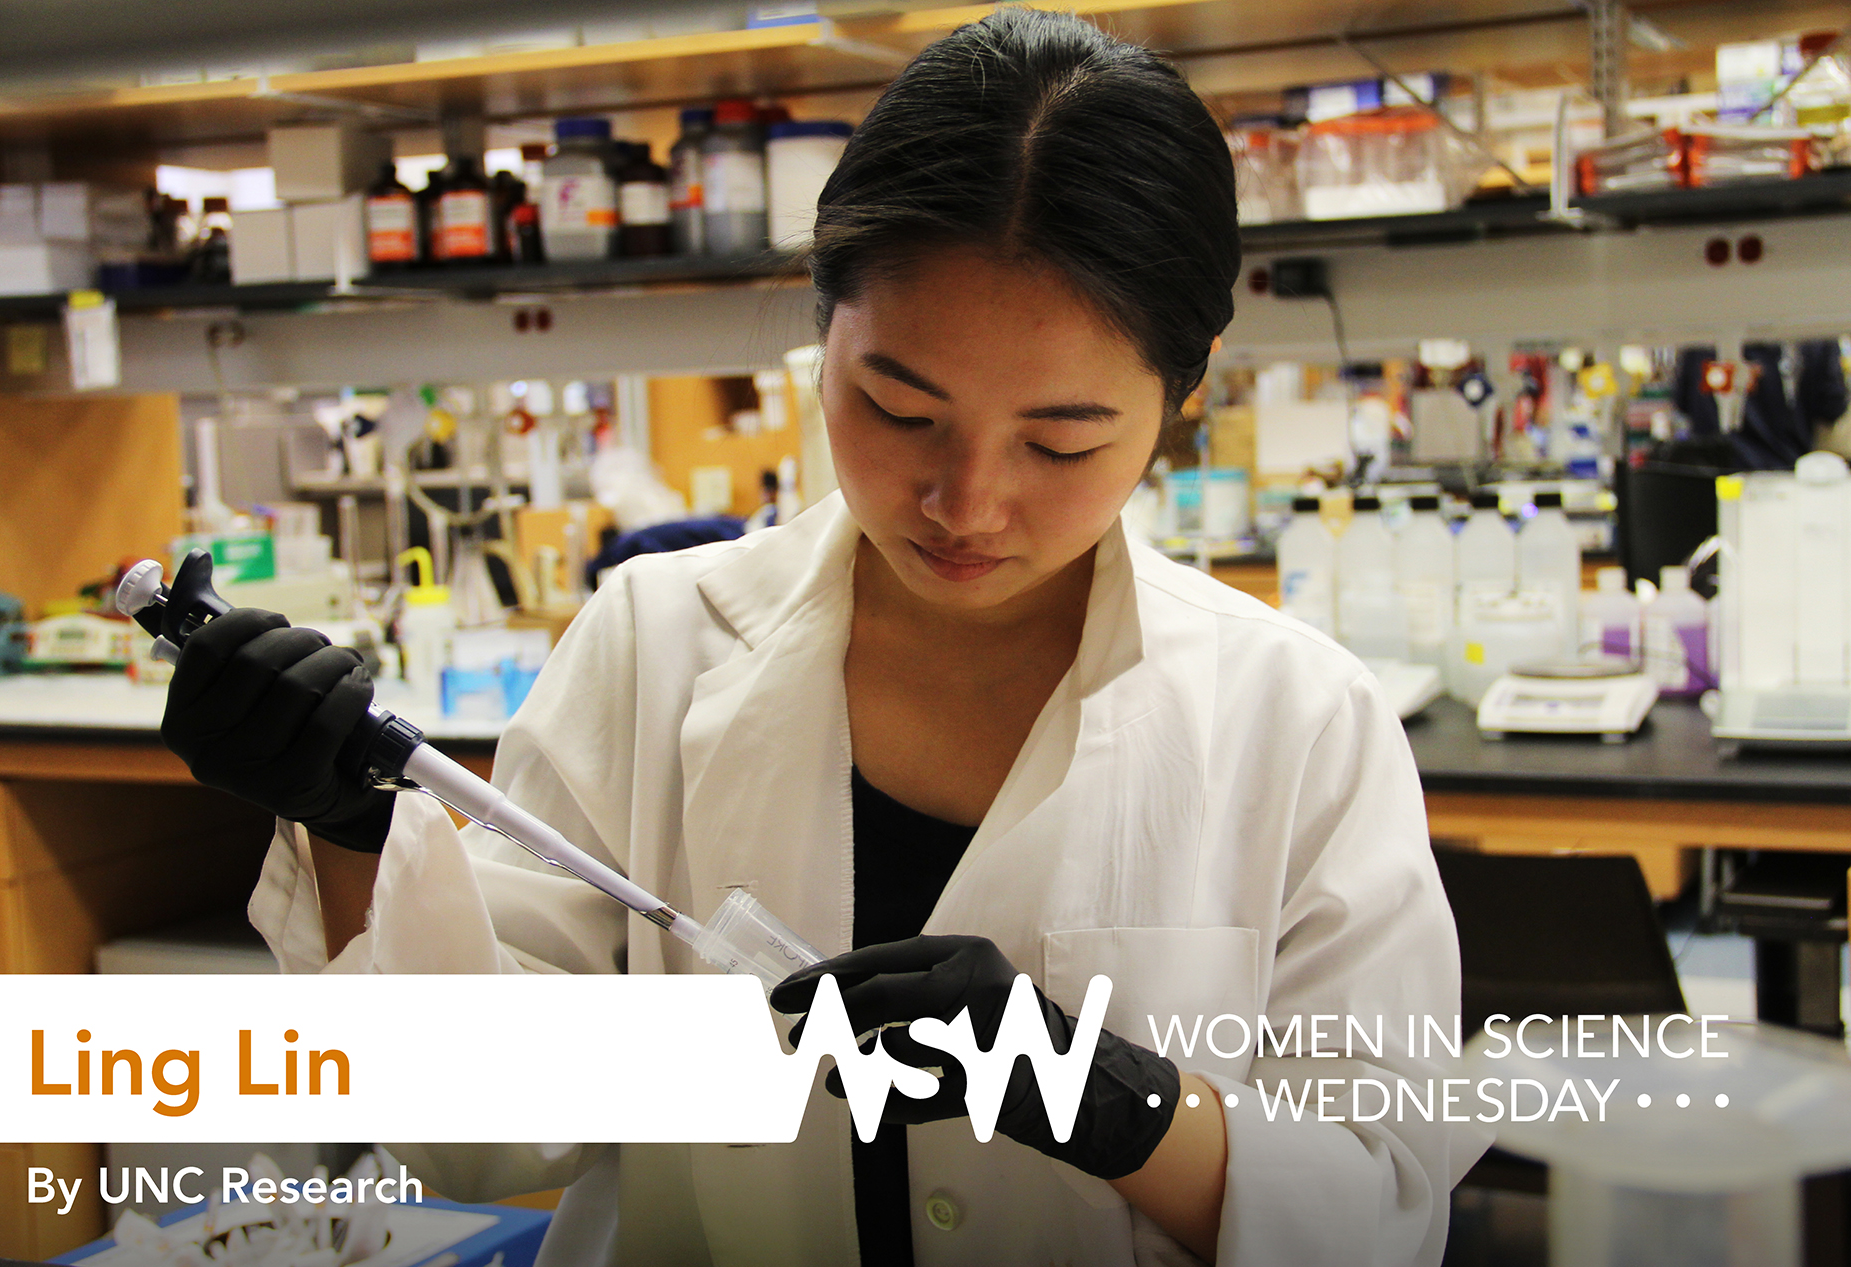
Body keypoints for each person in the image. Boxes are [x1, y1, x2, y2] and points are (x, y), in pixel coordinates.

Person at [164, 9, 1486, 1265]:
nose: (966, 501)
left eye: (1061, 440)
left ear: (1182, 390)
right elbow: (483, 1136)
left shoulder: (1299, 721)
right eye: (900, 410)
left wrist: (1112, 1103)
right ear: (824, 328)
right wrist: (350, 832)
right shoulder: (654, 641)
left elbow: (1379, 1213)